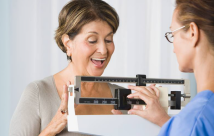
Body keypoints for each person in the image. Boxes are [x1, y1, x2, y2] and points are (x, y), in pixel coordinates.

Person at [9, 0, 120, 135]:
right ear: (68, 44)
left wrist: (153, 120)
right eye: (92, 40)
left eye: (108, 40)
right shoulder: (39, 93)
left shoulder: (124, 97)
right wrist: (52, 128)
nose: (103, 50)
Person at [127, 0, 214, 135]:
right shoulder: (196, 120)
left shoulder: (194, 120)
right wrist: (166, 121)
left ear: (192, 32)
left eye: (173, 34)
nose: (173, 49)